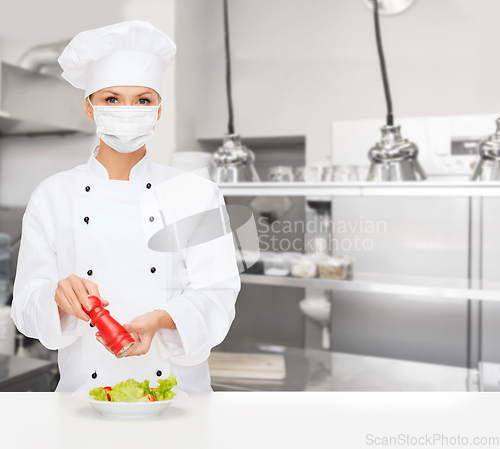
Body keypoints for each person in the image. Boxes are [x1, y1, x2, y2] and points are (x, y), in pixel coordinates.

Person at [10, 21, 241, 393]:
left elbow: (218, 296)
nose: (128, 111)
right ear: (90, 107)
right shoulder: (52, 196)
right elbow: (25, 308)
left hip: (177, 397)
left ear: (158, 111)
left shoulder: (198, 193)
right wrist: (55, 297)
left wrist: (160, 319)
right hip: (84, 396)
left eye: (143, 100)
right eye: (112, 99)